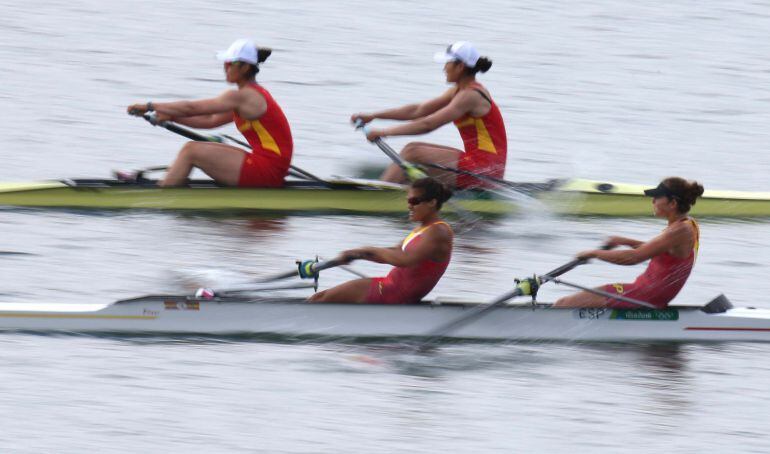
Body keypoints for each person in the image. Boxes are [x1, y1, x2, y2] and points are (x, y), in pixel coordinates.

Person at [126, 39, 293, 187]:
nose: (225, 67)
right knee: (192, 149)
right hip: (269, 167)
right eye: (225, 63)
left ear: (245, 67)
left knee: (191, 151)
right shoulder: (248, 97)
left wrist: (150, 106)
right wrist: (172, 117)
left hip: (268, 170)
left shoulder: (243, 96)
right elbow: (209, 120)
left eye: (230, 64)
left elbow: (191, 108)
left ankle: (161, 198)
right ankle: (171, 185)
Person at [351, 41, 506, 189]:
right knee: (412, 148)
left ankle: (380, 195)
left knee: (412, 153)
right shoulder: (459, 91)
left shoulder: (471, 96)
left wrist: (384, 132)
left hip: (485, 171)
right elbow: (418, 110)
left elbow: (428, 124)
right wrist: (373, 116)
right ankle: (404, 191)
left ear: (460, 66)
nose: (444, 68)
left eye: (447, 63)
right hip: (477, 164)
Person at [555, 177, 705, 309]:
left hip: (644, 295)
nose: (653, 201)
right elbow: (656, 249)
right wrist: (623, 241)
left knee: (562, 304)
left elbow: (633, 258)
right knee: (570, 303)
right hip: (650, 294)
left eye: (657, 197)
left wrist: (594, 253)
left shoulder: (679, 231)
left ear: (672, 203)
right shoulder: (688, 224)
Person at [309, 178, 454, 304]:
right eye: (408, 201)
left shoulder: (438, 232)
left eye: (414, 201)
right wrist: (357, 254)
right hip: (389, 287)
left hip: (393, 293)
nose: (409, 205)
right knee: (320, 297)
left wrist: (370, 249)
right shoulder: (423, 229)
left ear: (432, 202)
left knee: (319, 300)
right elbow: (395, 252)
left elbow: (404, 260)